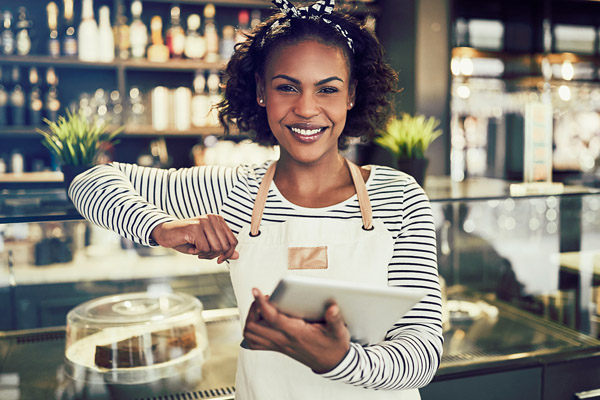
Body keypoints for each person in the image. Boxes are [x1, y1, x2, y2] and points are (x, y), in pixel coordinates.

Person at [69, 0, 443, 398]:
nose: (306, 109)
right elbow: (90, 182)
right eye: (287, 87)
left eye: (327, 89)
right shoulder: (234, 191)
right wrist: (160, 228)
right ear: (262, 91)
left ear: (351, 95)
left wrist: (339, 360)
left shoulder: (398, 197)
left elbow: (422, 352)